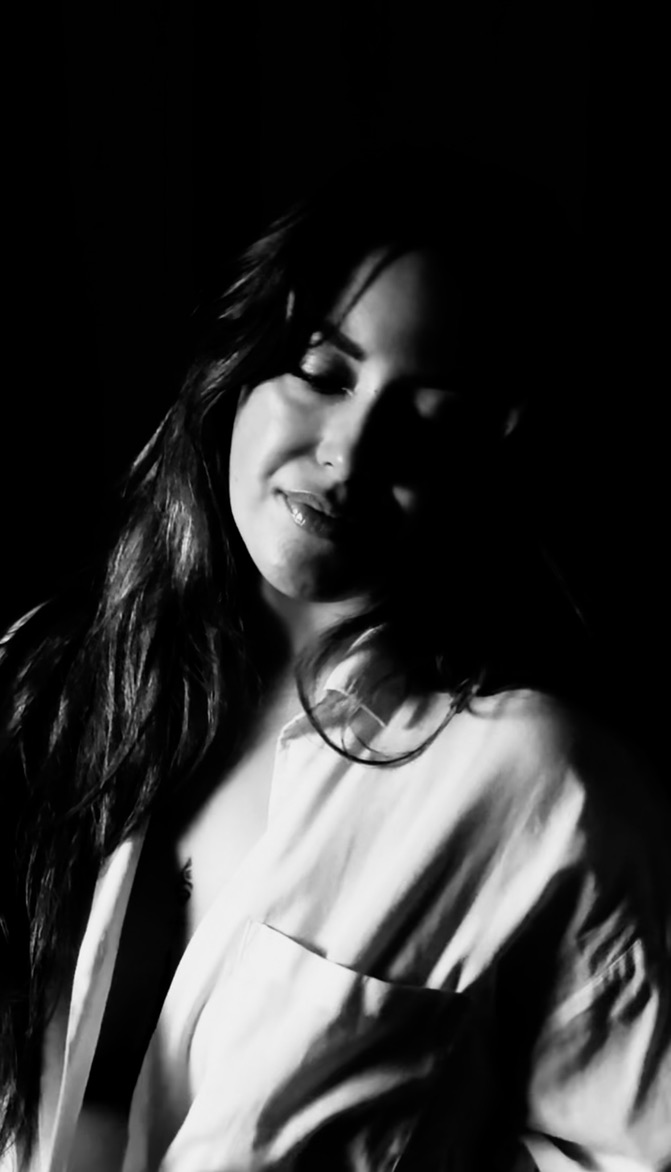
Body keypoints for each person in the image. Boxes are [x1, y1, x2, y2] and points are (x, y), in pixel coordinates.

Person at [1, 148, 669, 1172]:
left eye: (429, 418)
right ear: (238, 368)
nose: (351, 452)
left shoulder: (543, 787)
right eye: (322, 372)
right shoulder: (56, 688)